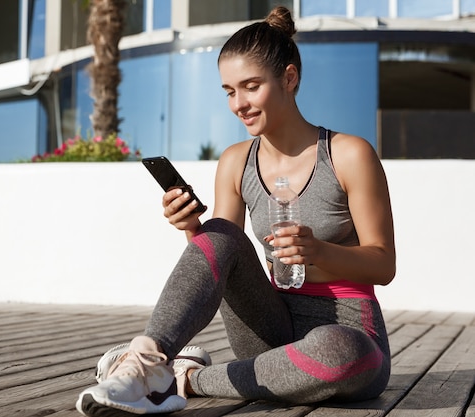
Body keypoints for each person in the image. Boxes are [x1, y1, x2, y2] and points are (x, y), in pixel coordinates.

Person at [76, 6, 395, 416]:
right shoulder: (235, 162)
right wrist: (193, 228)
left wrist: (319, 251)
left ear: (289, 78)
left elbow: (384, 265)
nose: (238, 104)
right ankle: (146, 362)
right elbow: (220, 260)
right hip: (268, 327)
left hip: (349, 330)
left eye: (251, 86)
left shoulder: (348, 155)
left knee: (345, 352)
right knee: (221, 231)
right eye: (229, 91)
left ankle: (185, 379)